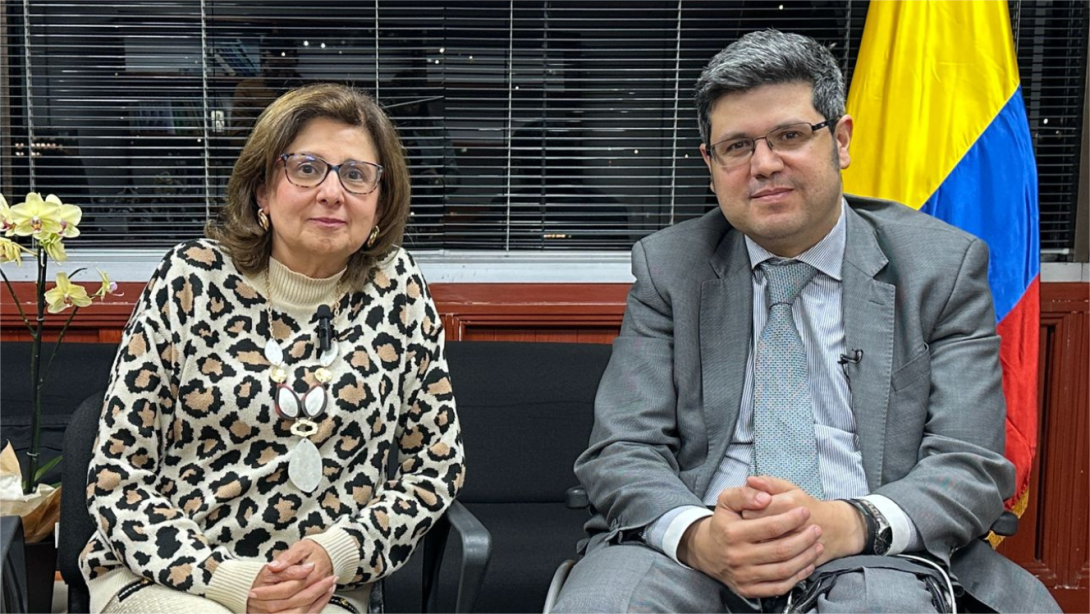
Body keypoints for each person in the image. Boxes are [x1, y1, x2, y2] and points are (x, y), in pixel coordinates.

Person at [551, 30, 1060, 614]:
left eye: (790, 136)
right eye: (737, 146)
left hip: (876, 545)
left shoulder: (939, 267)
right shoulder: (670, 267)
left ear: (840, 141)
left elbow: (968, 464)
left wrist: (849, 523)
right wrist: (698, 536)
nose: (764, 164)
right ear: (710, 165)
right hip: (700, 541)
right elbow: (623, 448)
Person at [80, 83, 465, 614]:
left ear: (380, 202)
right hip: (170, 575)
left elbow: (436, 467)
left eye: (356, 175)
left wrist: (340, 551)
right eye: (307, 169)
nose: (332, 192)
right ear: (263, 191)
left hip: (319, 589)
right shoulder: (191, 278)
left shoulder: (397, 289)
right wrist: (229, 580)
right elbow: (118, 477)